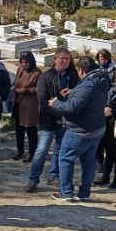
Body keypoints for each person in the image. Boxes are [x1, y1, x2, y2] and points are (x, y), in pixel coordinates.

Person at [48, 57, 110, 202]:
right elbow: (88, 95)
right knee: (88, 162)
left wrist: (55, 103)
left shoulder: (87, 85)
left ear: (81, 70)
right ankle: (84, 194)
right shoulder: (102, 79)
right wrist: (74, 92)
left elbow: (72, 108)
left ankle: (67, 193)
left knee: (65, 159)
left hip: (80, 130)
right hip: (97, 128)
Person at [26, 48, 79, 192]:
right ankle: (33, 179)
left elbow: (77, 96)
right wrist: (58, 115)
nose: (64, 61)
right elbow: (43, 101)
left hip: (67, 120)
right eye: (61, 58)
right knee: (41, 150)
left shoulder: (73, 76)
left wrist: (65, 116)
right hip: (47, 120)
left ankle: (53, 176)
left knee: (60, 150)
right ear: (55, 59)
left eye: (67, 59)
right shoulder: (45, 76)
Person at [13, 51, 41, 162]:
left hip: (30, 105)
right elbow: (16, 82)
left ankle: (32, 152)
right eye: (22, 62)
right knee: (18, 129)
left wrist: (26, 90)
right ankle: (20, 151)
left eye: (26, 62)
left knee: (30, 130)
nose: (24, 64)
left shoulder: (37, 73)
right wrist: (13, 87)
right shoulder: (20, 69)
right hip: (18, 102)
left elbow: (40, 89)